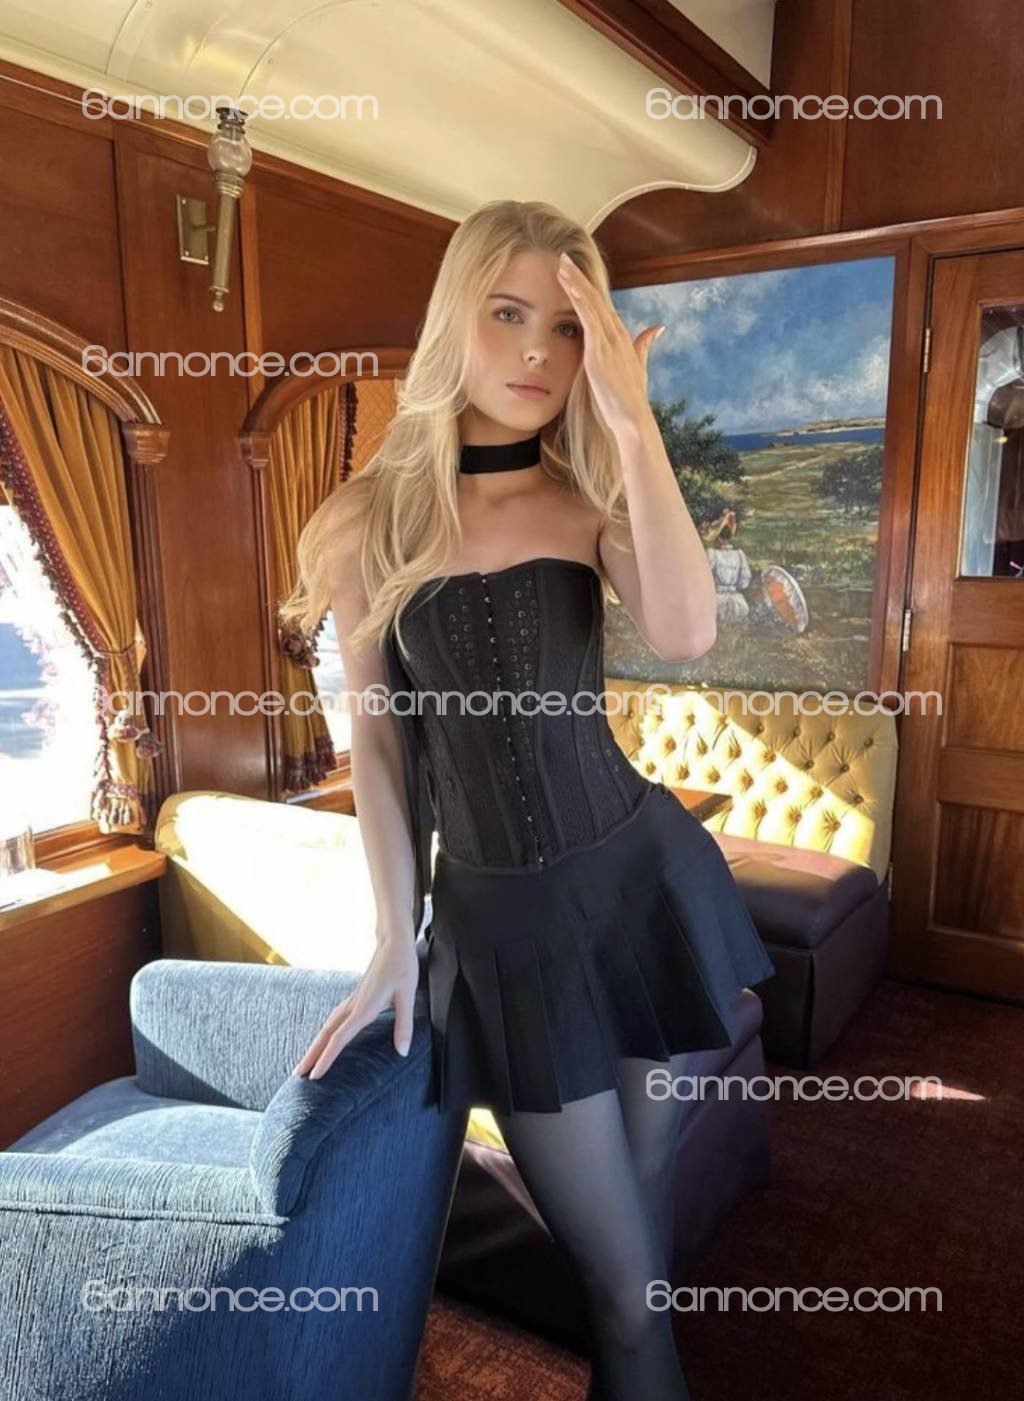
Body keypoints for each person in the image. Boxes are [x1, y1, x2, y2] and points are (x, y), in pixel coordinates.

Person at [281, 200, 775, 1400]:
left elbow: (687, 630)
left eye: (565, 329)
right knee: (625, 1283)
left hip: (642, 889)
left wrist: (633, 421)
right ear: (455, 314)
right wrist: (392, 935)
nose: (536, 354)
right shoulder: (363, 524)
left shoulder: (586, 500)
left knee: (633, 1261)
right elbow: (380, 742)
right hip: (503, 938)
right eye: (508, 315)